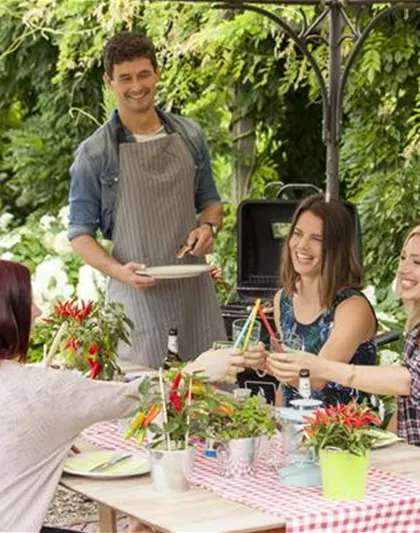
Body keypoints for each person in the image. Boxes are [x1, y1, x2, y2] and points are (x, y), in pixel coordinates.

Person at [0, 260, 243, 532]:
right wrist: (196, 372)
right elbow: (134, 397)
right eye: (29, 302)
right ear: (9, 315)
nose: (38, 311)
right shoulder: (43, 388)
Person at [68, 32, 226, 367]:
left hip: (194, 294)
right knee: (141, 405)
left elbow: (210, 203)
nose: (136, 86)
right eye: (125, 78)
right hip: (135, 301)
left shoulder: (190, 136)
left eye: (143, 74)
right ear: (110, 81)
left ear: (157, 73)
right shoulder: (95, 154)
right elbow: (80, 234)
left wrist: (208, 227)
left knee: (212, 401)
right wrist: (120, 272)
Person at [268, 225, 420, 446]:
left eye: (417, 262)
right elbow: (407, 407)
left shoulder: (351, 306)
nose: (403, 269)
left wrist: (322, 367)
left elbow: (408, 381)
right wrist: (391, 447)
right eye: (403, 258)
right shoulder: (415, 328)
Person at [248, 193, 377, 406]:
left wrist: (265, 362)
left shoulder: (352, 307)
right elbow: (287, 384)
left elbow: (317, 378)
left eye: (317, 239)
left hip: (342, 432)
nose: (302, 246)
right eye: (297, 234)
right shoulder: (284, 299)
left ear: (337, 248)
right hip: (294, 427)